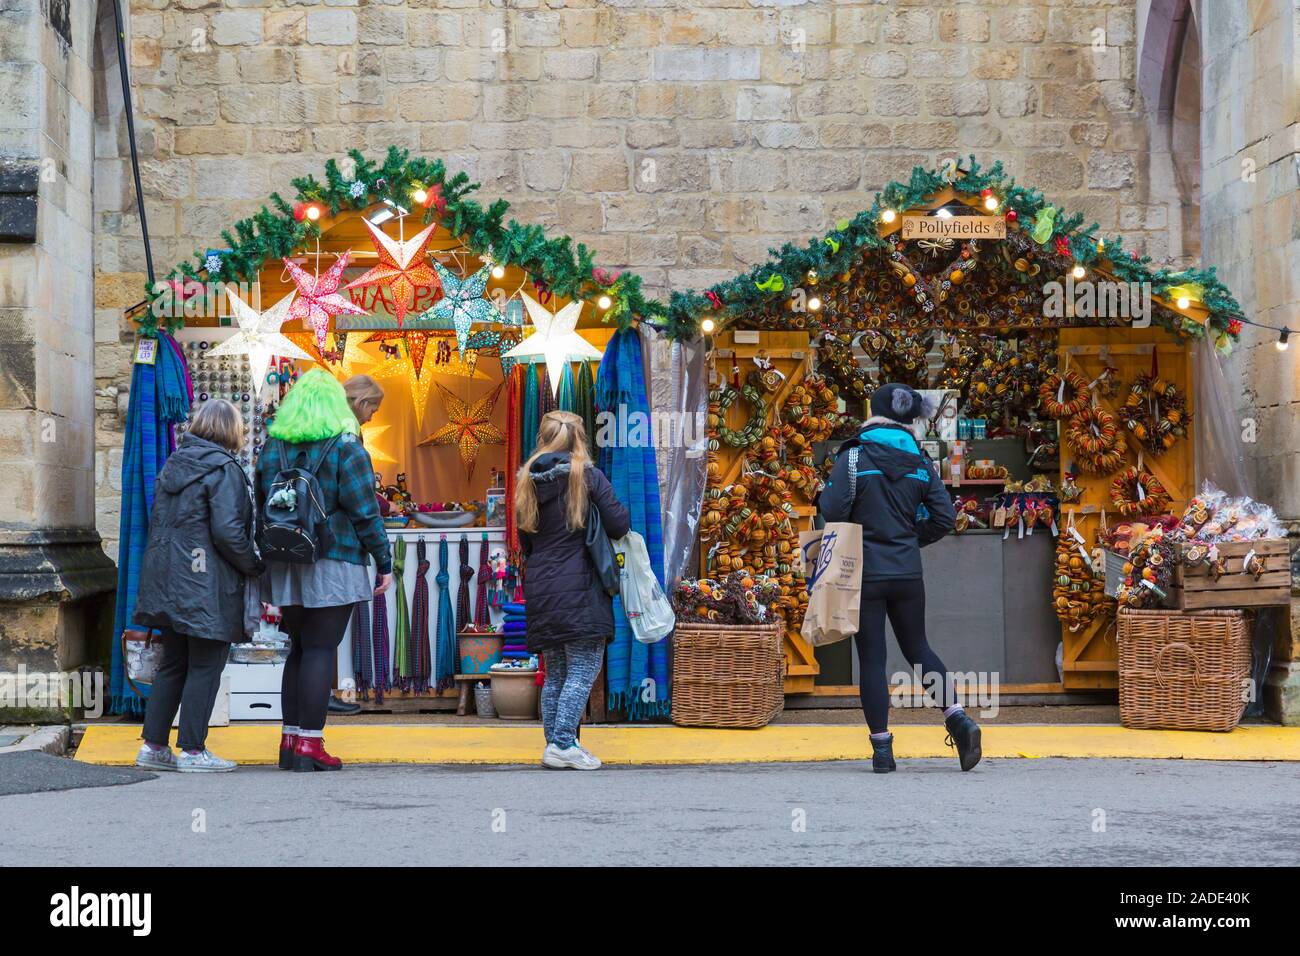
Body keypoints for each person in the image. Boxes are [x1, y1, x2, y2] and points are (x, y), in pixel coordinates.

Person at [817, 383, 980, 773]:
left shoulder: (854, 457)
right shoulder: (922, 463)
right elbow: (944, 518)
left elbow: (834, 510)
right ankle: (958, 718)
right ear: (909, 419)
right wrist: (908, 539)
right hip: (908, 572)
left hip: (864, 572)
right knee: (919, 649)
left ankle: (882, 750)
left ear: (872, 412)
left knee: (872, 658)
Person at [255, 369, 393, 772]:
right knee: (320, 650)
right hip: (335, 558)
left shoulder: (273, 446)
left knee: (298, 648)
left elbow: (261, 500)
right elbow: (365, 512)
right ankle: (311, 746)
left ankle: (290, 741)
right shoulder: (346, 447)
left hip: (286, 558)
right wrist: (384, 562)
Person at [134, 399, 264, 773]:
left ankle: (154, 747)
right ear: (230, 430)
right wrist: (253, 565)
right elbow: (228, 532)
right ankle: (192, 750)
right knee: (206, 665)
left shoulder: (173, 466)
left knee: (173, 663)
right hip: (208, 585)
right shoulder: (223, 469)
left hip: (168, 581)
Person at [516, 410, 630, 770]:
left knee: (558, 673)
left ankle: (555, 743)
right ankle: (564, 744)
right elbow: (619, 523)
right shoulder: (588, 477)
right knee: (583, 669)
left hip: (542, 586)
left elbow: (526, 539)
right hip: (579, 585)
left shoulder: (527, 482)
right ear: (579, 439)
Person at [323, 374, 387, 717]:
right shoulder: (349, 433)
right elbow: (361, 505)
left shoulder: (320, 423)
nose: (372, 416)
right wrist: (384, 558)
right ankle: (317, 706)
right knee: (325, 639)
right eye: (373, 408)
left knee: (309, 642)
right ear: (361, 403)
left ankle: (300, 725)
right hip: (340, 545)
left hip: (311, 544)